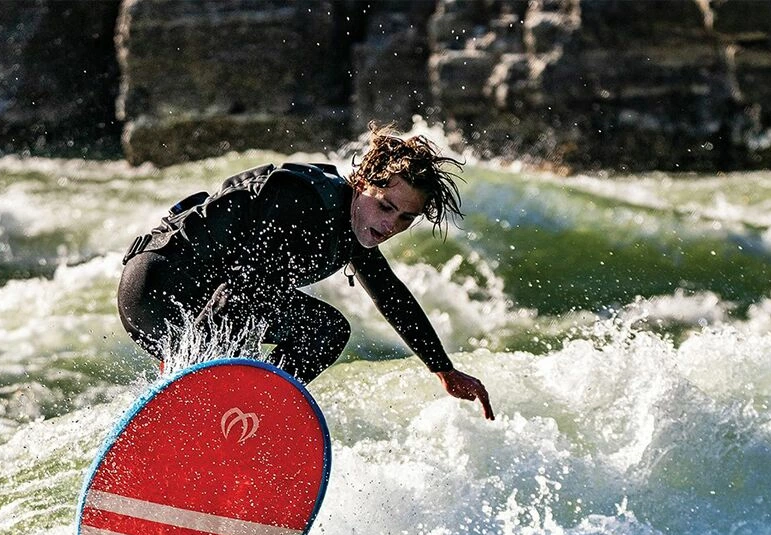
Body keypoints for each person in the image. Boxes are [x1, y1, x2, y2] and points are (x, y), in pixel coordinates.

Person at [117, 124, 494, 420]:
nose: (389, 224)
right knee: (323, 329)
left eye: (405, 218)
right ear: (362, 183)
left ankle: (233, 411)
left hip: (184, 301)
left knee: (314, 326)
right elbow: (239, 288)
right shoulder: (304, 201)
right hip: (160, 285)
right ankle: (233, 412)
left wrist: (443, 370)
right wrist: (204, 374)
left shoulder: (352, 223)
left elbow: (390, 295)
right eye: (385, 206)